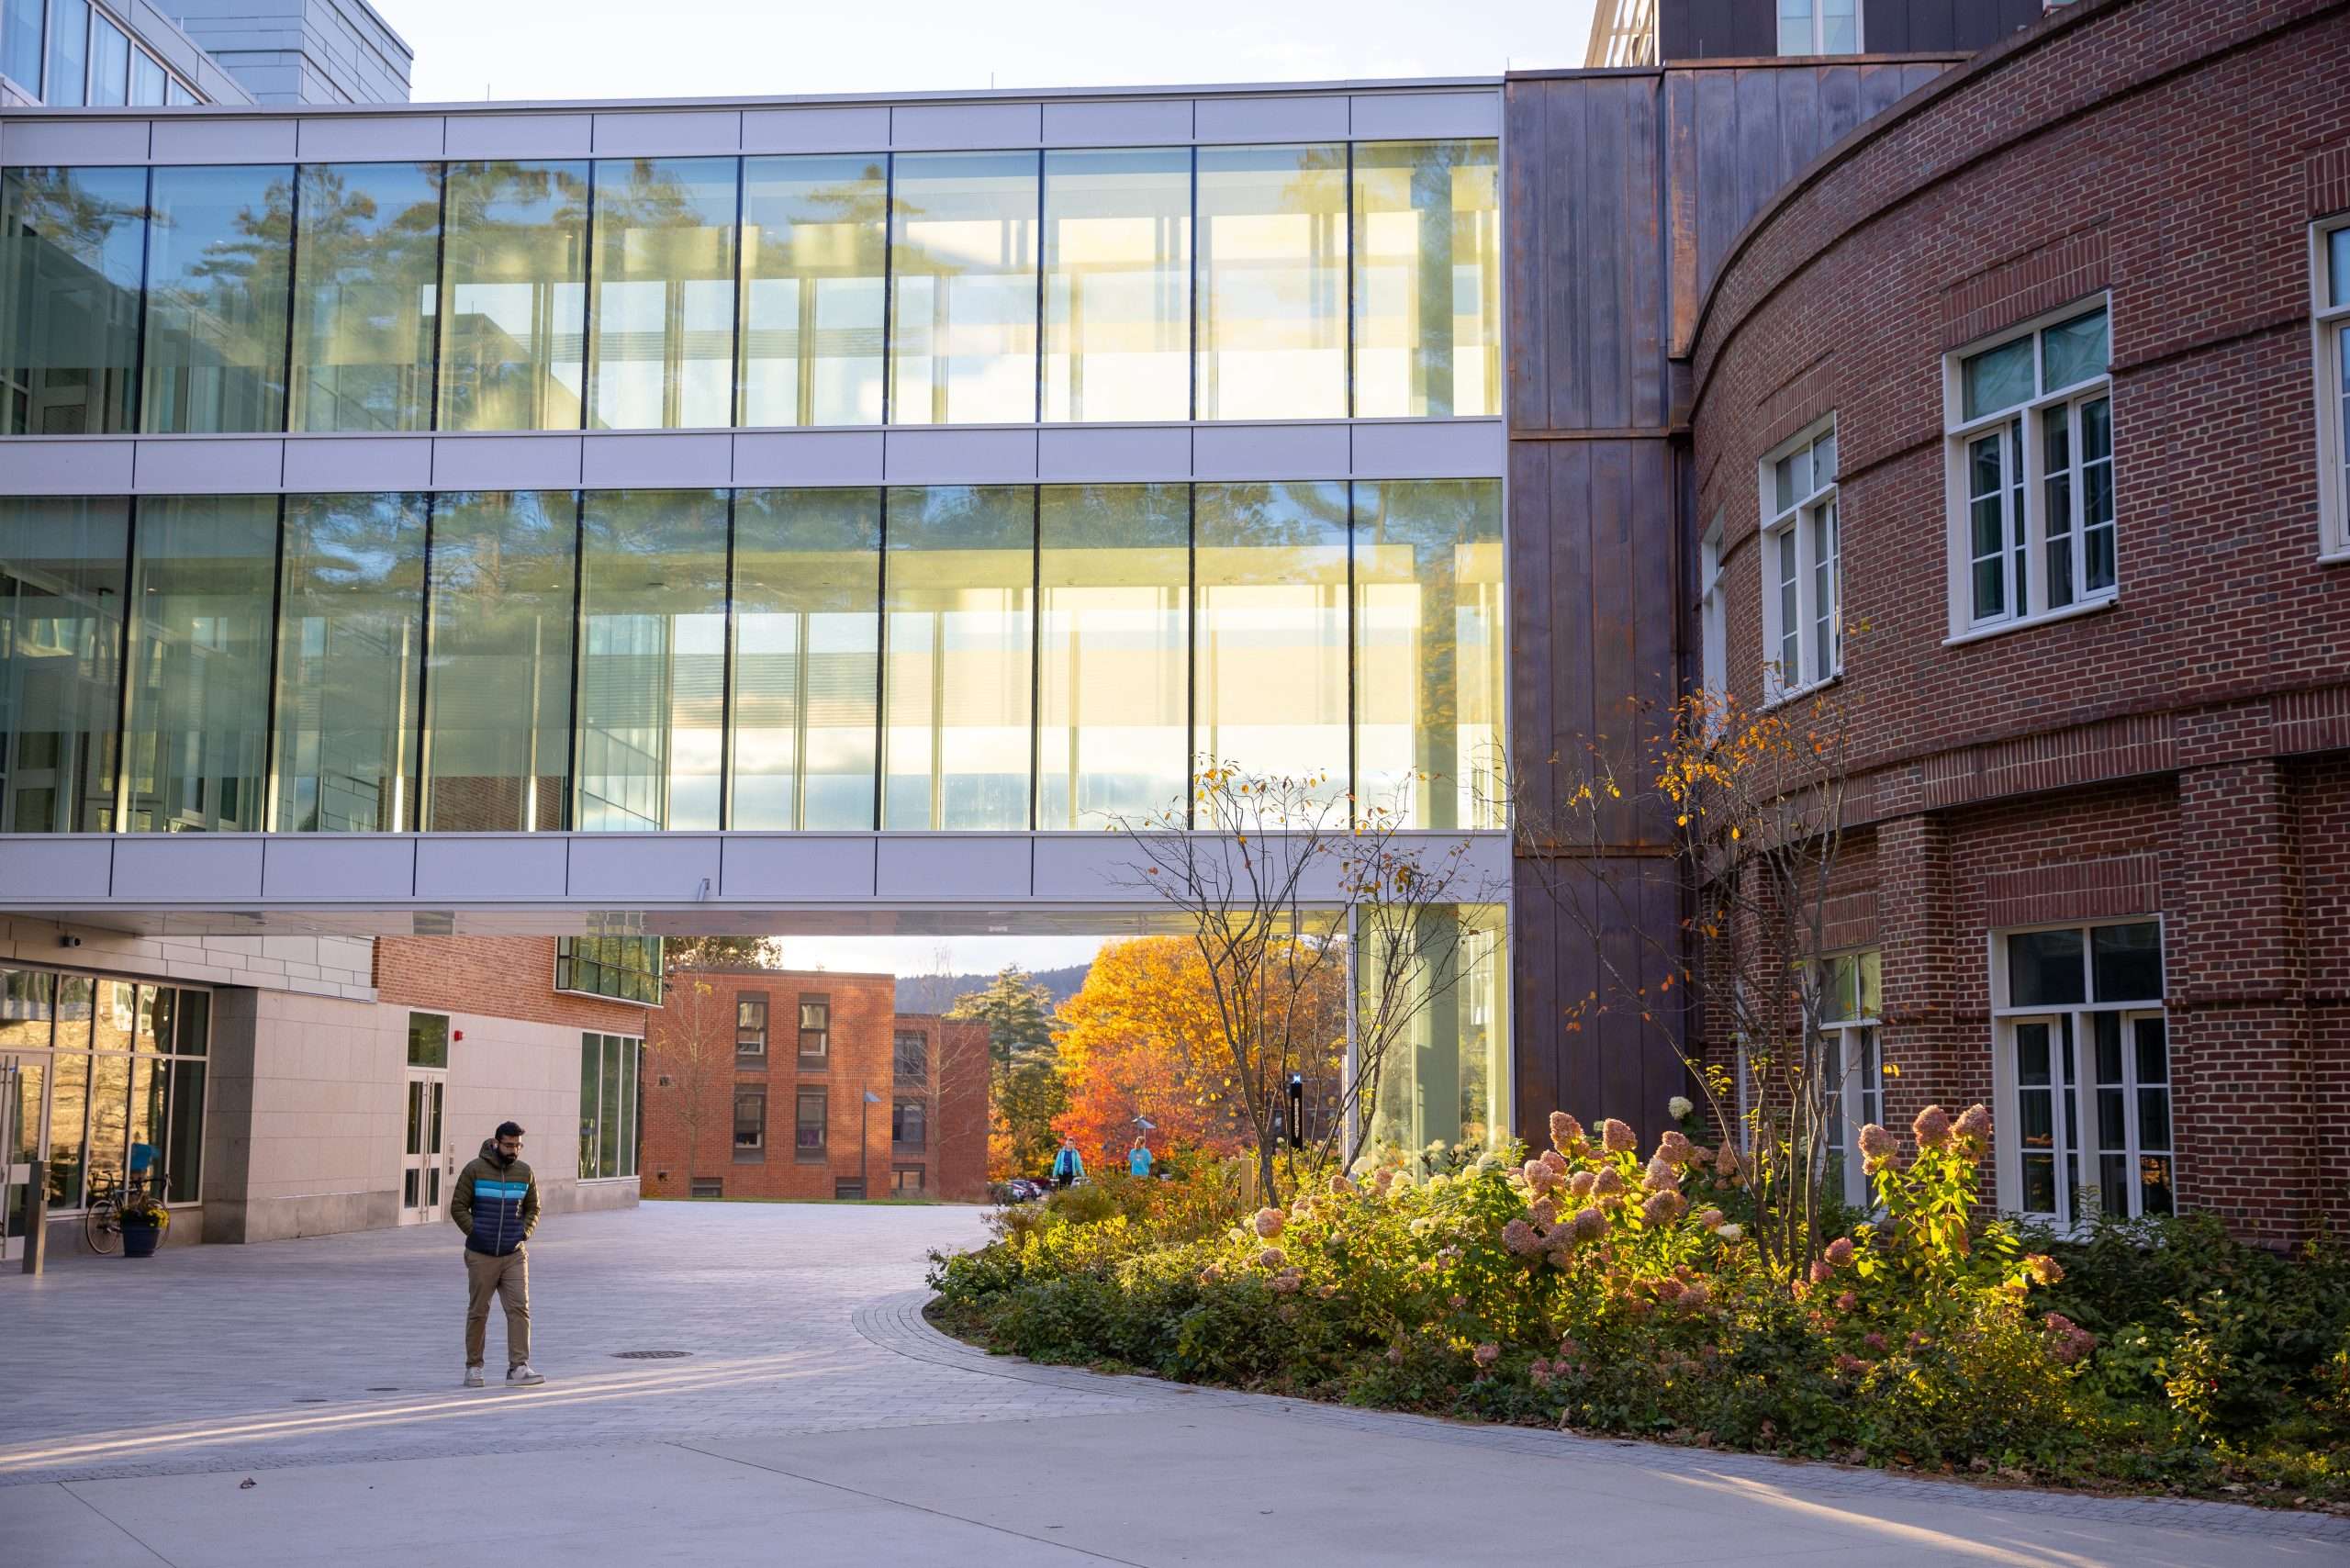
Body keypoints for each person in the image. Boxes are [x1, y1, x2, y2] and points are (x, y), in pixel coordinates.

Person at [451, 1120, 543, 1388]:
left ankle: (518, 1367)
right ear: (496, 1143)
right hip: (482, 1254)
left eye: (518, 1145)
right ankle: (474, 1367)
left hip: (514, 1253)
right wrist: (476, 1232)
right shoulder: (475, 1170)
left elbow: (533, 1208)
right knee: (479, 1310)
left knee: (519, 1309)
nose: (514, 1150)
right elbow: (458, 1207)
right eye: (509, 1145)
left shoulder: (525, 1172)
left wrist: (523, 1233)